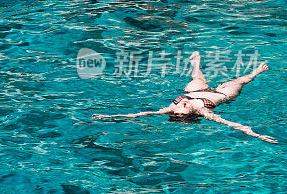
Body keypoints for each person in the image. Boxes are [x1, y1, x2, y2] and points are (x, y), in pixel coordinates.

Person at [92, 51, 277, 143]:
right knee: (241, 81)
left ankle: (196, 63)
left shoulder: (171, 109)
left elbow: (140, 114)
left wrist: (110, 116)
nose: (184, 104)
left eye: (181, 105)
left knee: (196, 79)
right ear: (191, 112)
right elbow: (234, 125)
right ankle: (257, 71)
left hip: (196, 91)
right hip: (222, 94)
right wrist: (258, 135)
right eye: (185, 106)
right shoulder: (203, 111)